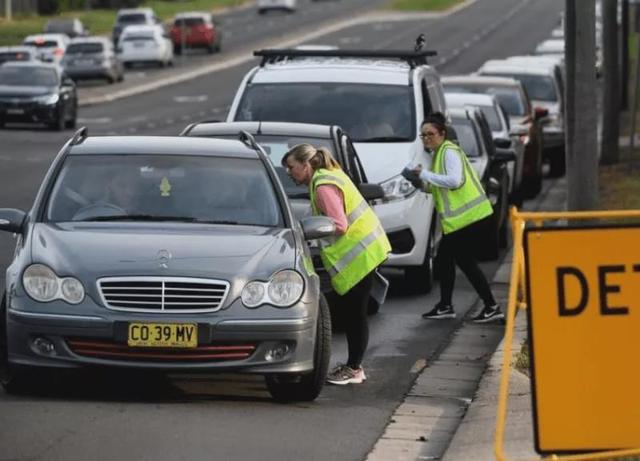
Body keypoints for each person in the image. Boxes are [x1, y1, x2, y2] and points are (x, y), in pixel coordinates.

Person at [282, 144, 391, 385]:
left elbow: (339, 225)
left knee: (354, 314)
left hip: (362, 254)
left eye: (291, 167)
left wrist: (311, 231)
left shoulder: (322, 186)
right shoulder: (326, 176)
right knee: (353, 313)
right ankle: (353, 367)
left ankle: (353, 369)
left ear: (306, 164)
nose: (289, 173)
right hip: (368, 251)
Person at [409, 112, 504, 323]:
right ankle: (447, 305)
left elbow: (454, 181)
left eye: (430, 134)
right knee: (446, 260)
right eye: (422, 135)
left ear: (442, 134)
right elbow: (440, 188)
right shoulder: (439, 154)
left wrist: (423, 174)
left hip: (472, 219)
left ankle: (491, 306)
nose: (426, 139)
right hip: (462, 221)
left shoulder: (449, 152)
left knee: (463, 262)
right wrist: (419, 183)